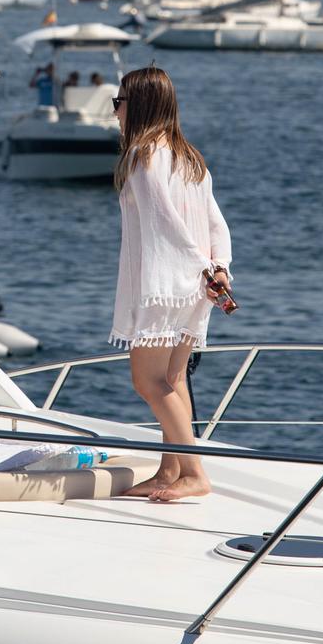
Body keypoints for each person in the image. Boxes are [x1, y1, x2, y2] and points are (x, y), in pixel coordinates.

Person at [108, 66, 232, 502]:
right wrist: (219, 267)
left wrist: (203, 267)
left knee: (148, 381)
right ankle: (169, 470)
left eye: (118, 102)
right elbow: (216, 221)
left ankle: (194, 473)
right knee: (173, 378)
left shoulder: (144, 155)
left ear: (138, 105)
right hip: (193, 287)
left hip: (167, 282)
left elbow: (166, 221)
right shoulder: (189, 156)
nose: (115, 111)